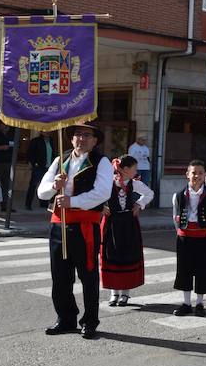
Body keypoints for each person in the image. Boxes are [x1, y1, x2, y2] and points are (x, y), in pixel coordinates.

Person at [37, 123, 113, 339]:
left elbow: (102, 192)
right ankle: (66, 318)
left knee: (88, 276)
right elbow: (41, 192)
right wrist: (54, 186)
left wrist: (73, 201)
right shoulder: (60, 159)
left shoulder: (101, 161)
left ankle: (90, 321)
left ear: (95, 141)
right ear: (71, 139)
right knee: (60, 275)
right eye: (78, 135)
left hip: (84, 225)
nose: (81, 139)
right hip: (58, 225)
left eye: (87, 135)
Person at [101, 155, 154, 306]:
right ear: (125, 169)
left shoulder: (134, 184)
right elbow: (96, 194)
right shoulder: (108, 182)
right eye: (134, 169)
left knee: (128, 255)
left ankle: (125, 293)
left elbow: (150, 193)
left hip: (129, 224)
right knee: (112, 256)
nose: (136, 171)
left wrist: (138, 204)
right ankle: (114, 293)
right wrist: (101, 207)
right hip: (112, 223)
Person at [171, 160, 206, 317]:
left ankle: (200, 304)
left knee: (203, 270)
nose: (197, 176)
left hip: (204, 238)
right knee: (184, 270)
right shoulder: (178, 195)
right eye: (194, 173)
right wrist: (181, 232)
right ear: (187, 174)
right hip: (185, 238)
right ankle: (186, 303)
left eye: (200, 173)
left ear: (205, 175)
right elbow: (175, 217)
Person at [25, 131, 53, 210]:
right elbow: (30, 153)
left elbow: (53, 152)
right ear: (41, 132)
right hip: (38, 166)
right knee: (33, 185)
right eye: (45, 131)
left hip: (48, 167)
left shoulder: (51, 141)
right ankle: (28, 204)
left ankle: (43, 203)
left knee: (45, 185)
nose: (47, 132)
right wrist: (31, 163)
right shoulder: (36, 141)